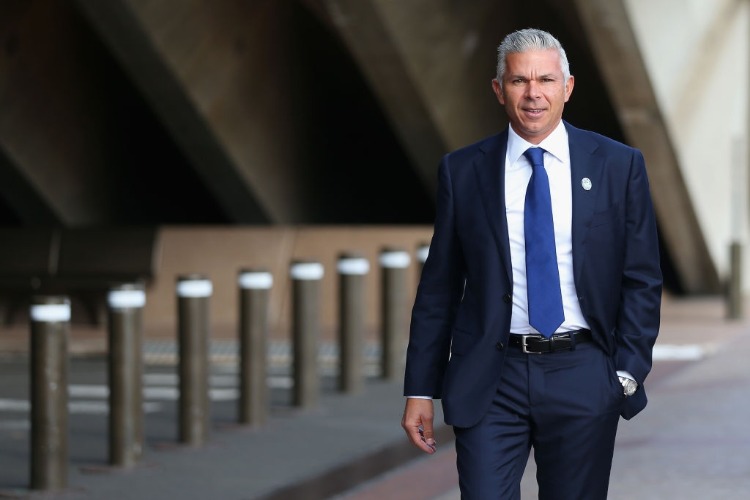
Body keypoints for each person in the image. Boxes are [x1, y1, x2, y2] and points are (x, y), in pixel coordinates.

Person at [401, 28, 662, 499]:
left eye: (545, 79)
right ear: (500, 90)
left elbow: (641, 277)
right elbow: (439, 287)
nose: (533, 94)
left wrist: (625, 372)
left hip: (583, 372)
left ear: (568, 86)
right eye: (520, 81)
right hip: (490, 378)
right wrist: (419, 387)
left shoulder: (618, 165)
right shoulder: (463, 171)